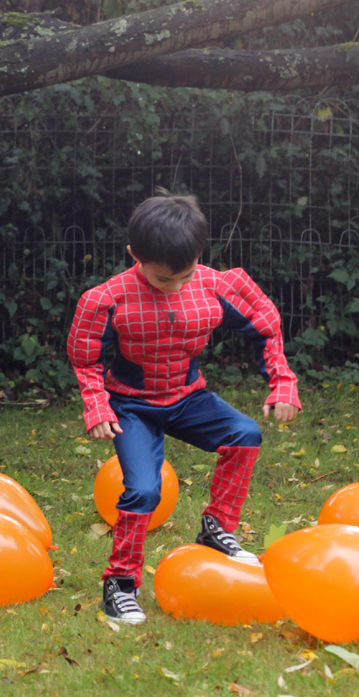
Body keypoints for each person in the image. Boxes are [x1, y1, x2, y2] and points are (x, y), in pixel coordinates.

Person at [67, 191, 300, 625]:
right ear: (135, 254)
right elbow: (85, 358)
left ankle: (217, 529)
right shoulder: (106, 300)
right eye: (161, 279)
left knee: (245, 434)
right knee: (144, 491)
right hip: (132, 408)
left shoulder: (216, 286)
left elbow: (267, 324)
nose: (174, 286)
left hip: (188, 397)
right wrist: (97, 406)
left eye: (184, 275)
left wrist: (282, 382)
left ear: (198, 255)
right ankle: (119, 586)